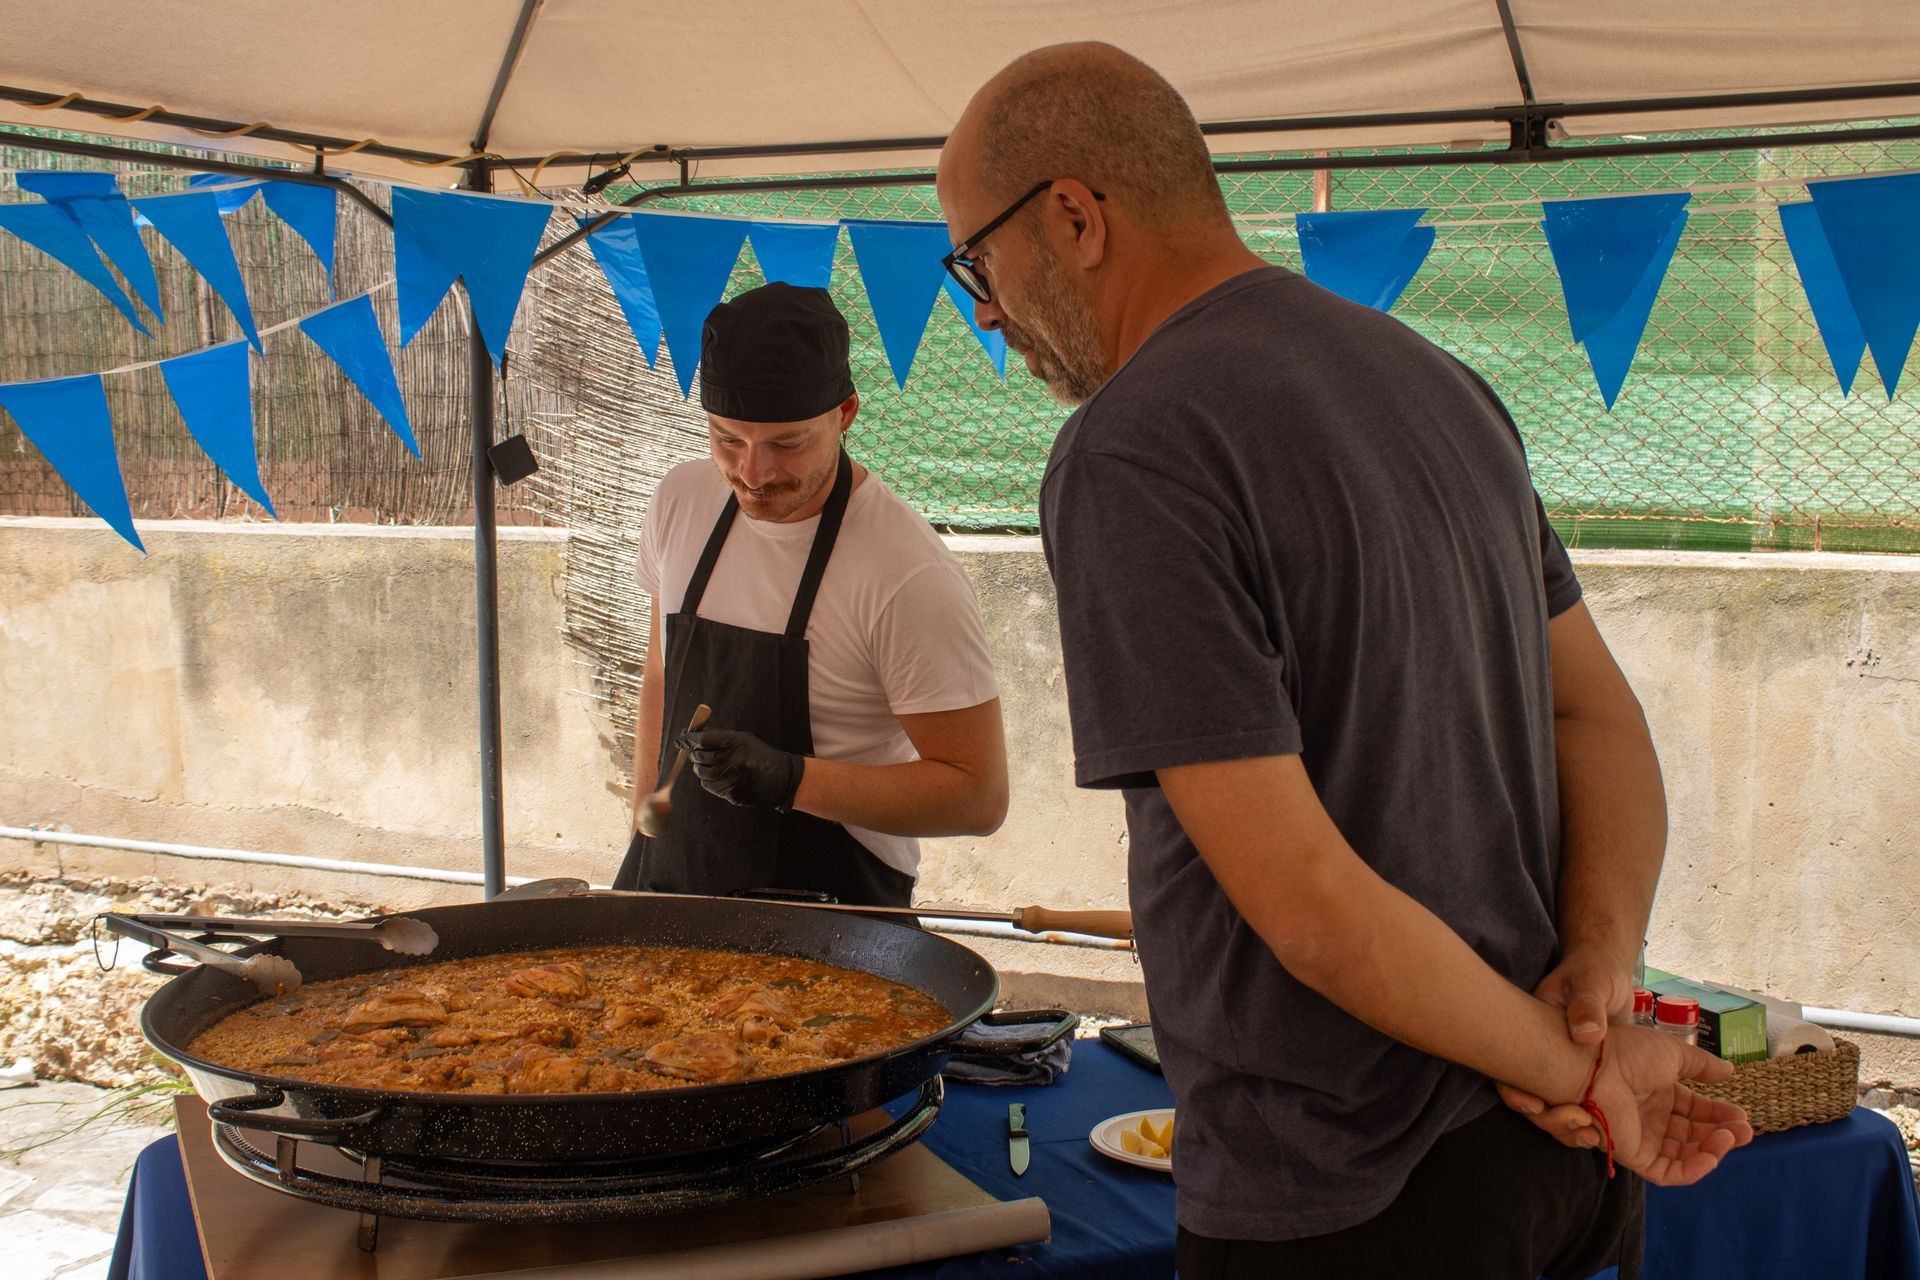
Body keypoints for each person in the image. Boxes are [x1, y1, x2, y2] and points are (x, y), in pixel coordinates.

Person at [937, 43, 1752, 1278]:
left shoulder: (1135, 447)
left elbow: (1312, 905)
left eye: (978, 263)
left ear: (1073, 217)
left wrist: (1584, 1055)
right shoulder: (1441, 382)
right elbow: (1600, 720)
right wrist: (1598, 978)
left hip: (1348, 1199)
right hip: (1555, 1169)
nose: (988, 312)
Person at [614, 282, 1008, 907]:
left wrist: (792, 780)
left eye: (786, 444)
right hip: (669, 883)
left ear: (845, 413)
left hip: (829, 910)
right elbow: (663, 676)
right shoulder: (680, 500)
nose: (753, 473)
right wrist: (644, 820)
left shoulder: (905, 573)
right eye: (727, 439)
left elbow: (977, 796)